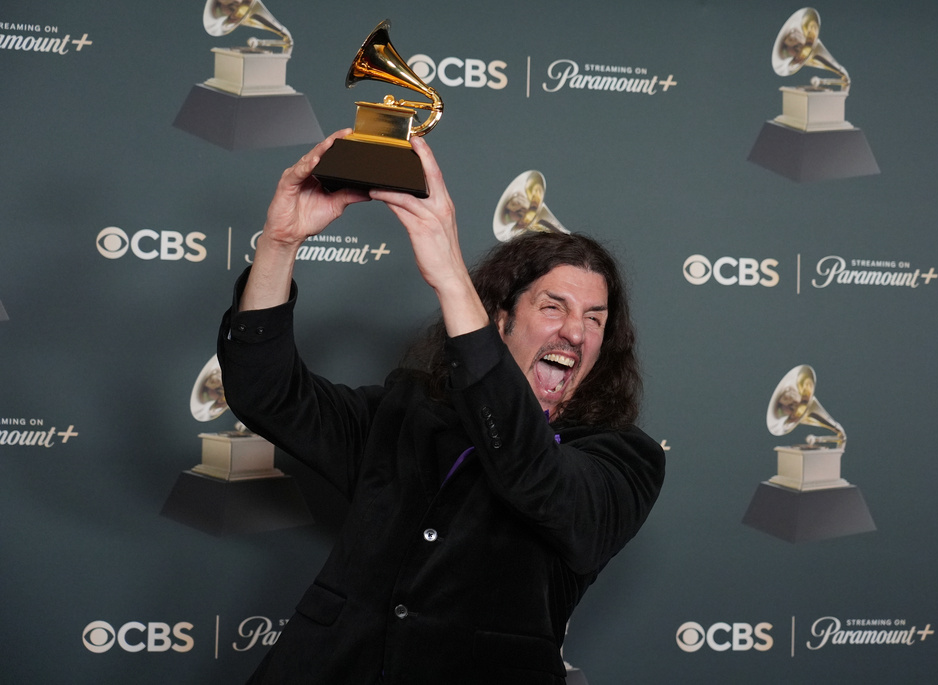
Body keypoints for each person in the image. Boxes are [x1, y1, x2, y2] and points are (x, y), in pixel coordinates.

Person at [217, 129, 665, 685]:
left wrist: (450, 276)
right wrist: (280, 243)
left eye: (594, 319)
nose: (575, 331)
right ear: (501, 319)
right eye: (554, 307)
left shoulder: (624, 460)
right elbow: (267, 393)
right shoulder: (404, 415)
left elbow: (536, 477)